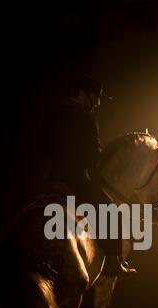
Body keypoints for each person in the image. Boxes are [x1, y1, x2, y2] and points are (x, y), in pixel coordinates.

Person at [50, 77, 136, 278]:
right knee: (110, 210)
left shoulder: (54, 113)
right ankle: (114, 263)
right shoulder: (86, 119)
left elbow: (42, 148)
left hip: (52, 177)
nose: (97, 103)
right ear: (84, 94)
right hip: (75, 179)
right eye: (96, 97)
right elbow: (92, 157)